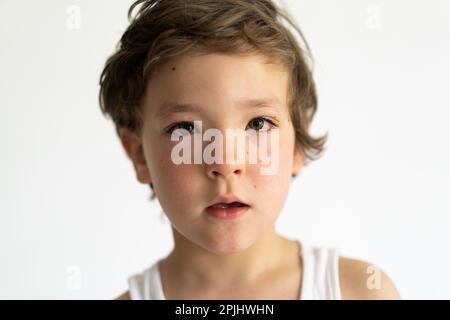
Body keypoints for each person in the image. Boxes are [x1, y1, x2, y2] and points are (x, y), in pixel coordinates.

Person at [98, 0, 400, 300]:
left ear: (296, 144)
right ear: (139, 155)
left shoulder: (361, 292)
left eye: (258, 124)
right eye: (186, 130)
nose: (227, 162)